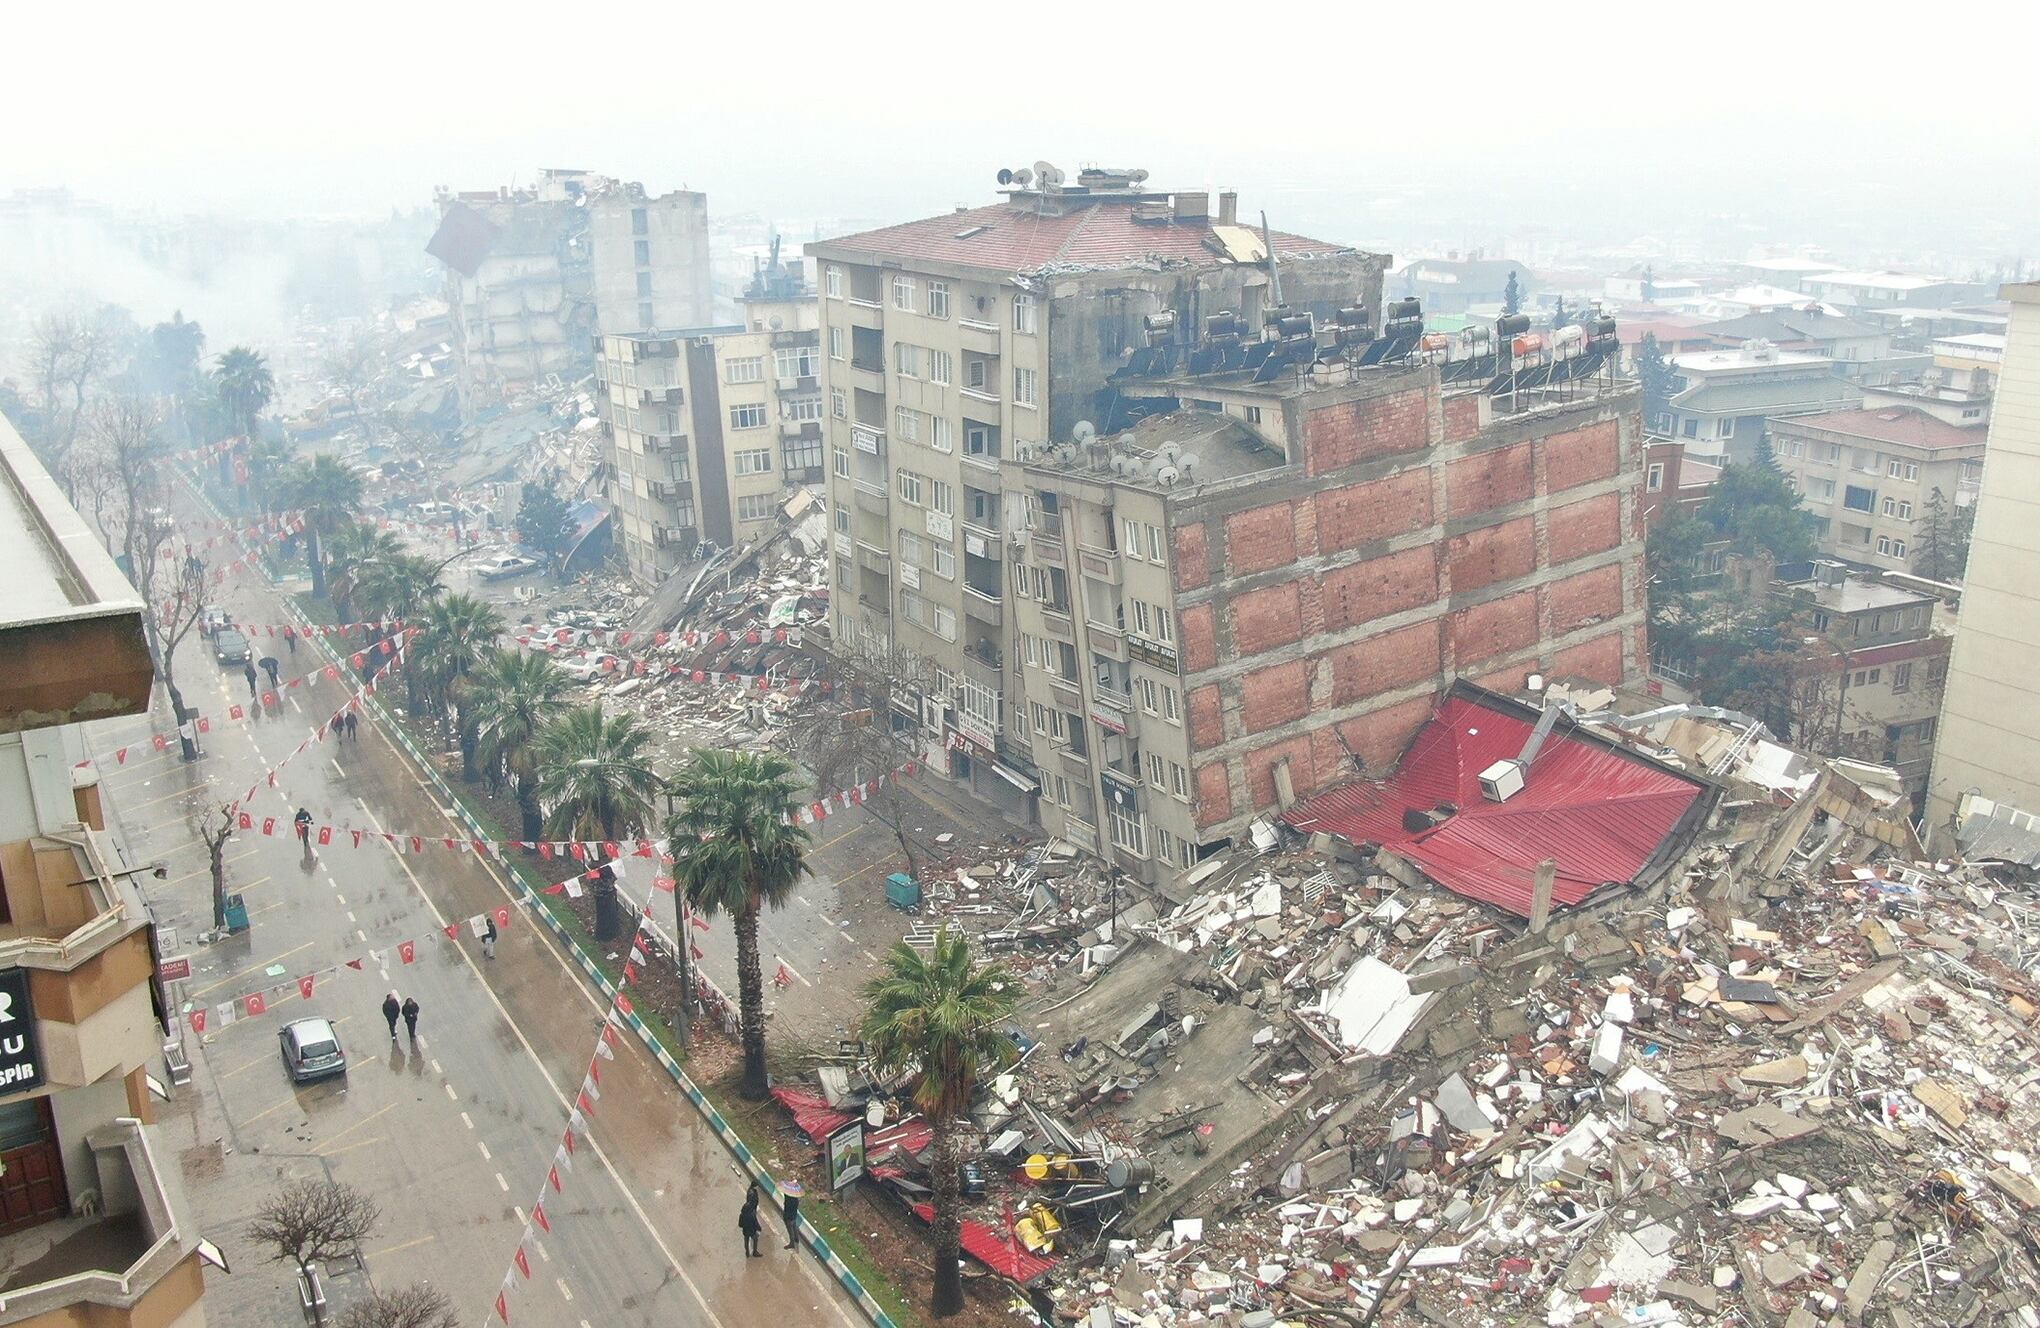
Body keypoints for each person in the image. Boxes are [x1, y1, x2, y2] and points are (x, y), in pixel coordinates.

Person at [738, 1185, 763, 1258]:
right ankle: (755, 1252)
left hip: (745, 1231)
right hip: (752, 1231)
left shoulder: (742, 1215)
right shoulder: (752, 1216)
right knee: (755, 1239)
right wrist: (759, 1228)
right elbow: (756, 1224)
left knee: (746, 1241)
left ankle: (747, 1252)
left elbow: (740, 1224)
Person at [781, 1184, 801, 1250]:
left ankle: (792, 1243)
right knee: (794, 1227)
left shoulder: (788, 1200)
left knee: (790, 1230)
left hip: (788, 1216)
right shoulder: (796, 1200)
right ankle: (796, 1239)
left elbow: (786, 1204)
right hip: (794, 1215)